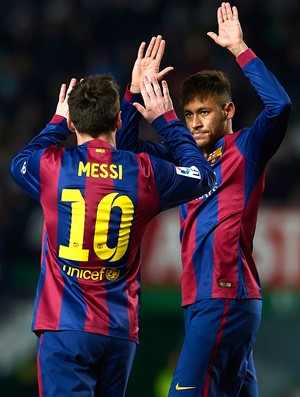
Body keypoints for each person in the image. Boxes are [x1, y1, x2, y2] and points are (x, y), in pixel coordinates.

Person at [10, 37, 215, 397]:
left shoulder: (51, 168)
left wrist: (57, 121)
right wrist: (165, 117)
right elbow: (202, 176)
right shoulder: (144, 172)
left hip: (64, 327)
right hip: (119, 331)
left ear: (73, 122)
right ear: (119, 119)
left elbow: (19, 162)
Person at [116, 2, 292, 396]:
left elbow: (280, 106)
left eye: (204, 112)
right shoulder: (184, 157)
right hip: (200, 298)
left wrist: (240, 49)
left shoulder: (246, 147)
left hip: (226, 292)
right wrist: (132, 92)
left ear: (228, 111)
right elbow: (127, 154)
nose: (194, 122)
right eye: (189, 113)